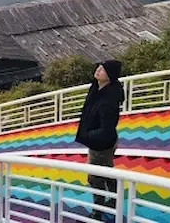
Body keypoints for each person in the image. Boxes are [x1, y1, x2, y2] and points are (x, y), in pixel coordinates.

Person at [75, 60, 125, 221]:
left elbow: (106, 129)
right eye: (99, 67)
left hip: (101, 144)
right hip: (103, 142)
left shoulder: (108, 101)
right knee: (107, 170)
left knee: (95, 177)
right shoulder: (97, 88)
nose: (98, 70)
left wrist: (86, 135)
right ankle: (114, 199)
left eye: (102, 69)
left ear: (110, 76)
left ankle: (97, 211)